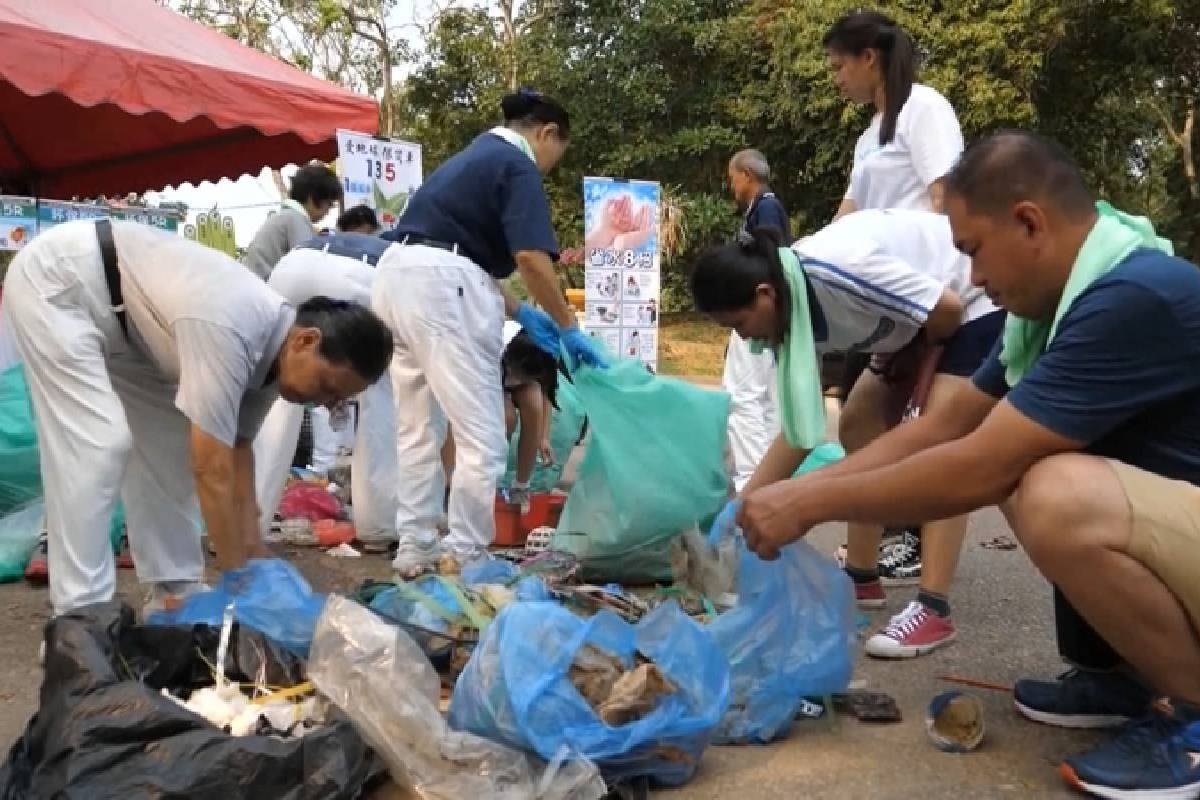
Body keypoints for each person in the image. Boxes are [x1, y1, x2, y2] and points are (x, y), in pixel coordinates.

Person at [739, 131, 1200, 799]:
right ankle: (1126, 678)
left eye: (974, 252)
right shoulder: (1048, 314)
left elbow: (978, 466)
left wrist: (808, 504)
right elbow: (945, 428)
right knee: (1034, 468)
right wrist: (793, 493)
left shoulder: (1129, 297)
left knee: (1052, 491)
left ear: (1030, 223)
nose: (974, 279)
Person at [2, 219, 392, 617]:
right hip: (62, 282)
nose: (323, 402)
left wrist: (257, 555)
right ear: (305, 340)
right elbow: (212, 468)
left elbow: (238, 453)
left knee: (168, 446)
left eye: (337, 400)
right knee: (97, 444)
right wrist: (238, 577)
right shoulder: (233, 326)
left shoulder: (276, 361)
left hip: (132, 326)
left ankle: (175, 589)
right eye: (327, 385)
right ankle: (79, 614)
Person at [694, 209, 995, 629]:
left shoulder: (834, 270)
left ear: (764, 294)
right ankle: (862, 576)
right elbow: (801, 429)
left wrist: (921, 370)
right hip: (914, 325)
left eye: (739, 324)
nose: (744, 338)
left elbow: (946, 309)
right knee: (858, 424)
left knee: (944, 443)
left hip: (970, 300)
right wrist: (738, 511)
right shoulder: (788, 308)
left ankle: (933, 607)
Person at [377, 88, 605, 576]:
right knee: (482, 435)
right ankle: (466, 556)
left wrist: (522, 311)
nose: (549, 166)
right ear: (547, 133)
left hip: (399, 276)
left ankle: (414, 547)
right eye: (556, 154)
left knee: (418, 428)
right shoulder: (515, 164)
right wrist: (568, 326)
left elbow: (460, 253)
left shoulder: (467, 159)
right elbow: (529, 258)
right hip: (444, 287)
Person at [824, 9, 967, 585]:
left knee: (939, 438)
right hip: (889, 309)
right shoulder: (868, 136)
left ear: (870, 58)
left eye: (839, 65)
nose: (835, 77)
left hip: (934, 298)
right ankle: (874, 560)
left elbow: (945, 200)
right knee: (858, 422)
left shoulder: (924, 109)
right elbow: (847, 216)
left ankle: (913, 552)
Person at [252, 233, 400, 552]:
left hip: (293, 268)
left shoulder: (344, 237)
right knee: (380, 392)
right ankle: (378, 527)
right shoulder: (411, 263)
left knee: (277, 382)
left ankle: (247, 524)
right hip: (363, 278)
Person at [724, 149, 789, 491]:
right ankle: (768, 474)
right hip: (763, 312)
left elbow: (771, 261)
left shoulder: (766, 209)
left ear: (747, 174)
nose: (731, 184)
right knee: (765, 396)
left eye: (733, 176)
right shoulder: (761, 209)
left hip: (755, 312)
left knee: (743, 393)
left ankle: (751, 478)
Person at [243, 164, 342, 281]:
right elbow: (307, 266)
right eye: (329, 204)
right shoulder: (296, 219)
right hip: (264, 288)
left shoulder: (285, 216)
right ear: (313, 197)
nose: (328, 211)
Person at [501, 329, 558, 510]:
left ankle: (521, 487)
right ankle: (491, 481)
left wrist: (543, 437)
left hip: (512, 371)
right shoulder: (494, 349)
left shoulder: (543, 356)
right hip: (489, 380)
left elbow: (546, 395)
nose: (519, 380)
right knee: (507, 418)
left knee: (533, 401)